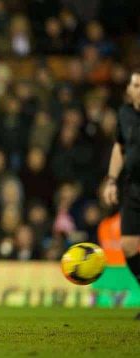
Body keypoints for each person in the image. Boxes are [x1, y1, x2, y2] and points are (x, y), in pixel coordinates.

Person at [103, 69, 140, 320]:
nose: (136, 88)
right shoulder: (125, 114)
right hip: (133, 186)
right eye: (134, 84)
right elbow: (120, 147)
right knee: (127, 245)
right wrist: (111, 181)